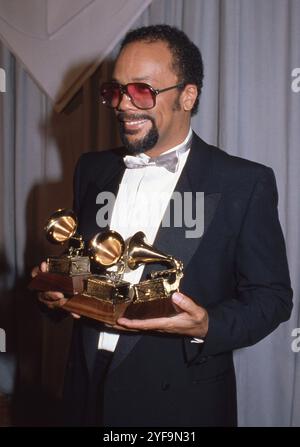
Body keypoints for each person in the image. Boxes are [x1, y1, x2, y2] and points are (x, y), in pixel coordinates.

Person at [32, 24, 293, 427]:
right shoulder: (92, 168)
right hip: (85, 390)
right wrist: (57, 290)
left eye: (142, 91)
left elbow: (272, 297)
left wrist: (208, 324)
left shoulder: (244, 182)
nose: (123, 104)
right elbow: (85, 260)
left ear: (187, 96)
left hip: (180, 400)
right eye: (115, 91)